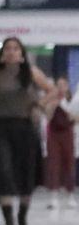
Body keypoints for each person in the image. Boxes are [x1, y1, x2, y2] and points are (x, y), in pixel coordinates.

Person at [0, 35, 55, 225]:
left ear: (21, 55)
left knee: (25, 174)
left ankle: (22, 216)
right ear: (2, 55)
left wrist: (40, 105)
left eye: (16, 49)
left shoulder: (32, 73)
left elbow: (52, 90)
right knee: (4, 172)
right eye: (7, 49)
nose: (11, 52)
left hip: (25, 128)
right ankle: (8, 223)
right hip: (1, 127)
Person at [48, 77, 77, 211]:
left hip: (68, 134)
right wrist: (53, 105)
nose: (60, 88)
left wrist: (66, 106)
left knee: (69, 164)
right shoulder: (51, 99)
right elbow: (47, 117)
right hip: (53, 135)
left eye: (63, 85)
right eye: (58, 85)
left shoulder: (72, 100)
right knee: (54, 164)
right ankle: (54, 197)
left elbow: (75, 117)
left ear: (67, 86)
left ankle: (70, 196)